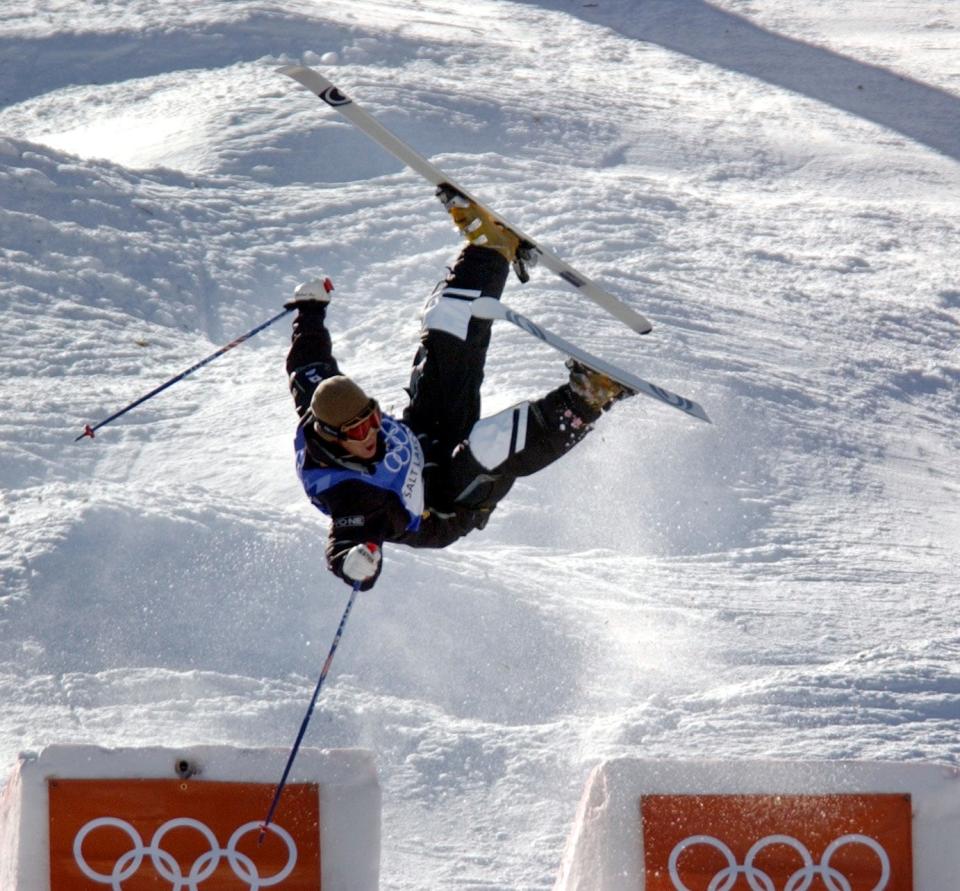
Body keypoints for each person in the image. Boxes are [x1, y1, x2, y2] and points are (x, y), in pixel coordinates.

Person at [285, 187, 634, 590]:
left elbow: (308, 363)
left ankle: (491, 250)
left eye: (373, 419)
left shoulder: (323, 401)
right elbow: (343, 544)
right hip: (445, 505)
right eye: (357, 432)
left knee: (444, 335)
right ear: (331, 437)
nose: (369, 434)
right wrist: (355, 565)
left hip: (425, 435)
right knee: (489, 444)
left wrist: (308, 310)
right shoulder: (352, 497)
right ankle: (589, 397)